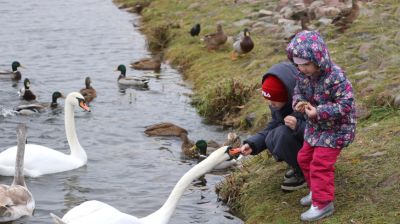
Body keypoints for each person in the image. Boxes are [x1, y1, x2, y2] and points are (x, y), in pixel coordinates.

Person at [286, 30, 356, 221]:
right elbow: (297, 93)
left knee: (320, 164)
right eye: (298, 65)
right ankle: (315, 190)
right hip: (316, 127)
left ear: (318, 58)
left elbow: (346, 104)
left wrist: (320, 111)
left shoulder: (335, 76)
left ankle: (323, 203)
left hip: (337, 128)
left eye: (306, 64)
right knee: (304, 158)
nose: (302, 69)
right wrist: (298, 103)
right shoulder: (303, 76)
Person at [240, 62, 306, 191]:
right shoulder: (280, 105)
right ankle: (299, 166)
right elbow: (274, 125)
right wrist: (253, 144)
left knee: (281, 134)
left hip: (318, 148)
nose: (271, 103)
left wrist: (298, 126)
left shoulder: (305, 103)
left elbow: (322, 132)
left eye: (275, 99)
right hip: (303, 145)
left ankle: (306, 171)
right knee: (273, 135)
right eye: (268, 99)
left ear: (287, 95)